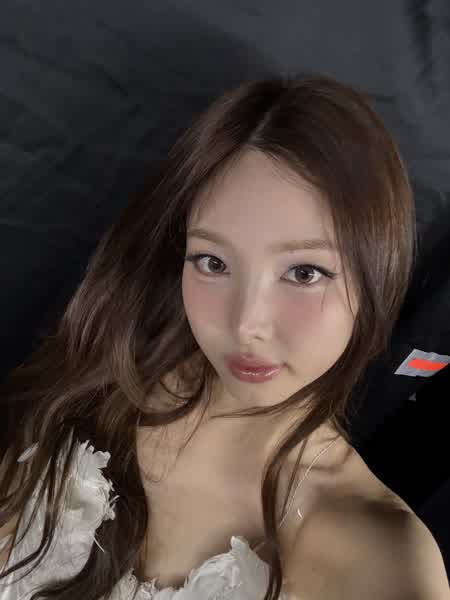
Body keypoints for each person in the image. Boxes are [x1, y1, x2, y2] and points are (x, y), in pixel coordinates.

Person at [0, 73, 448, 600]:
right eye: (213, 262)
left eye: (304, 273)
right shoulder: (101, 382)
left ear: (376, 275)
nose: (246, 324)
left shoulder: (381, 558)